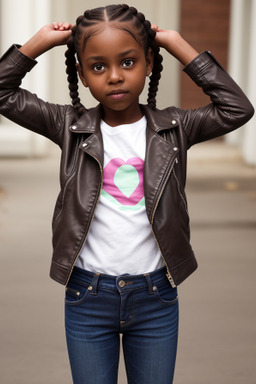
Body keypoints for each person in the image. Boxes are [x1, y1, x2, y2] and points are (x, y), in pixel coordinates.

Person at [0, 4, 254, 384]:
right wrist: (37, 44)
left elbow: (237, 109)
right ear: (83, 75)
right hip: (88, 296)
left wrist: (176, 43)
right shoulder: (68, 126)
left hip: (156, 296)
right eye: (98, 66)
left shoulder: (175, 128)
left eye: (129, 61)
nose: (115, 77)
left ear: (149, 62)